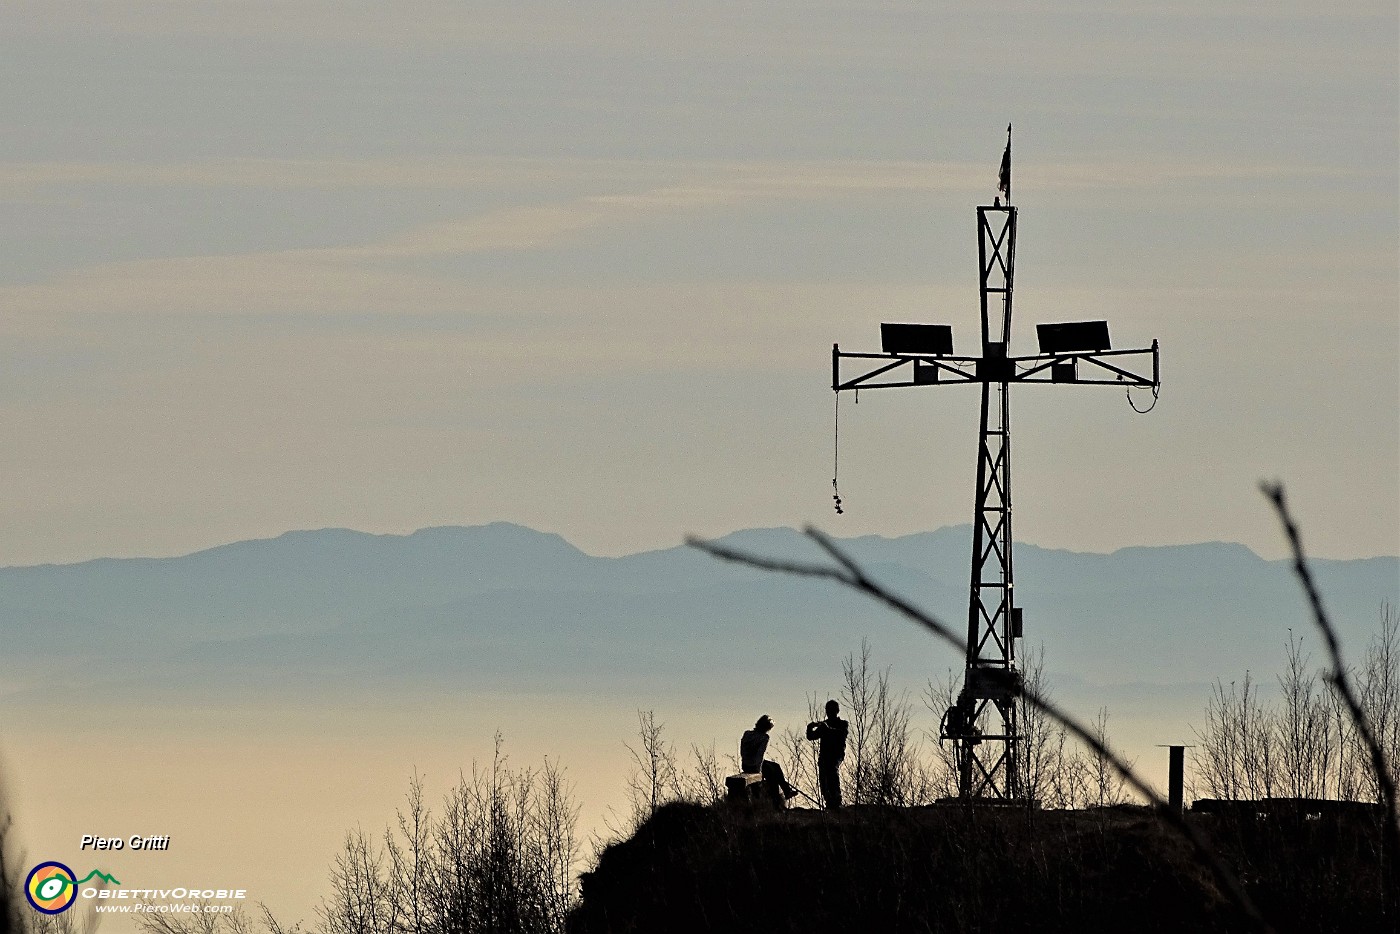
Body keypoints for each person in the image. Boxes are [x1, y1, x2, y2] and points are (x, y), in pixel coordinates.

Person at [740, 715, 799, 802]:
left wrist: (744, 761)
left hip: (745, 763)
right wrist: (758, 771)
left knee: (775, 766)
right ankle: (782, 795)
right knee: (773, 775)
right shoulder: (764, 737)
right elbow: (760, 754)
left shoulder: (747, 734)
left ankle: (787, 790)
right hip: (755, 765)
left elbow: (742, 749)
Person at [806, 699, 849, 808]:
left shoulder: (842, 724)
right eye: (828, 710)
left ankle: (836, 800)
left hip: (836, 755)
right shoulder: (824, 725)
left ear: (837, 711)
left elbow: (840, 734)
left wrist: (827, 728)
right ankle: (829, 802)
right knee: (823, 779)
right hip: (824, 755)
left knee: (832, 774)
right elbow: (811, 737)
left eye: (832, 710)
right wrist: (809, 728)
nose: (829, 712)